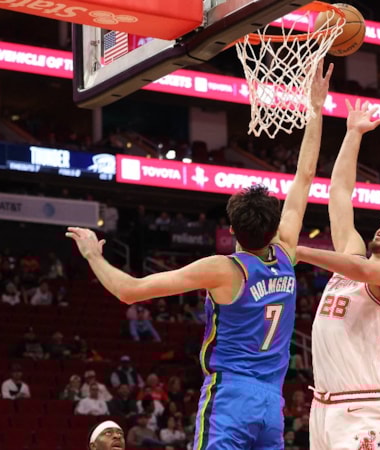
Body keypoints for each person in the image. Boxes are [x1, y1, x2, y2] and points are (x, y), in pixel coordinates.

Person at [66, 60, 333, 450]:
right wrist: (316, 108)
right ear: (273, 228)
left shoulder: (223, 270)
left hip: (232, 396)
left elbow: (130, 291)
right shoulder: (287, 252)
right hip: (272, 404)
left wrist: (93, 255)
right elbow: (305, 175)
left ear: (230, 231)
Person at [295, 99, 380, 450]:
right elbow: (339, 193)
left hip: (360, 407)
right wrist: (353, 134)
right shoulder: (354, 254)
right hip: (322, 407)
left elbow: (363, 269)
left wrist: (300, 251)